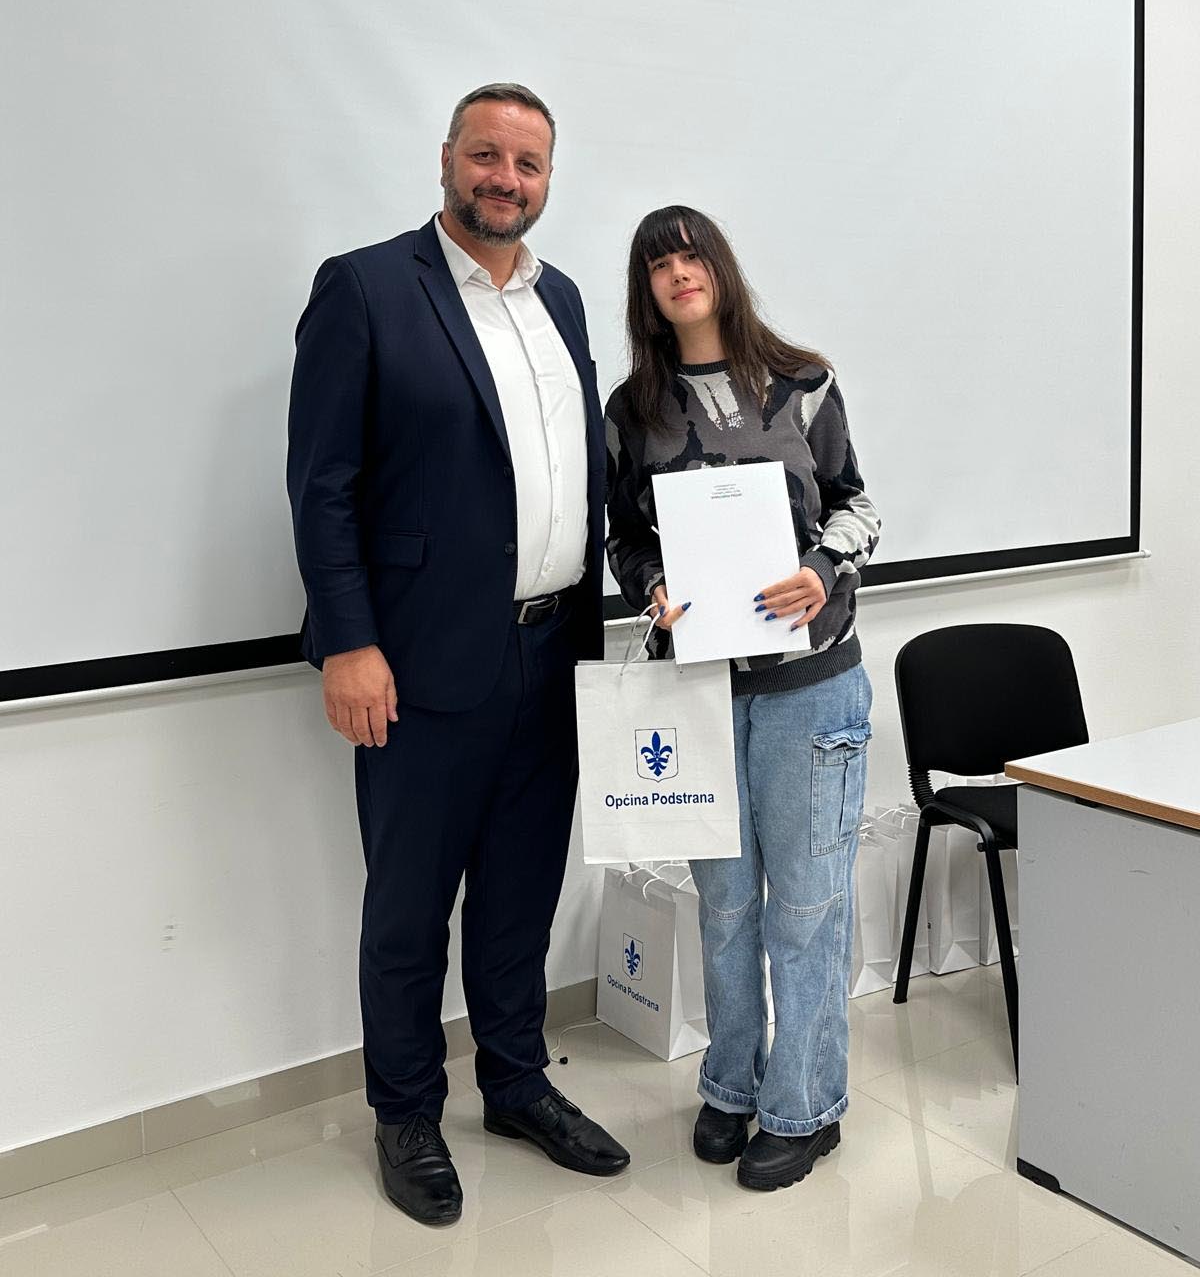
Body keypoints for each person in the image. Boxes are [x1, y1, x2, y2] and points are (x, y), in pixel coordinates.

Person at [287, 83, 629, 1228]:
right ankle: (407, 1113)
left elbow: (569, 472)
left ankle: (518, 1086)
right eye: (487, 155)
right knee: (410, 909)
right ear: (446, 159)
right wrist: (348, 642)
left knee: (522, 897)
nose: (505, 179)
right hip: (420, 664)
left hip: (554, 653)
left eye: (528, 164)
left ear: (548, 179)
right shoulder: (366, 288)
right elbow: (323, 485)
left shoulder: (560, 296)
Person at [604, 205, 881, 1192]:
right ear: (646, 290)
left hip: (811, 688)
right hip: (701, 693)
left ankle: (804, 1108)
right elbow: (624, 539)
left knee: (804, 911)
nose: (679, 273)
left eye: (692, 255)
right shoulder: (633, 409)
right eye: (659, 264)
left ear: (719, 266)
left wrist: (820, 568)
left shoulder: (803, 381)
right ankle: (730, 1084)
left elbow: (858, 503)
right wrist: (651, 588)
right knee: (724, 908)